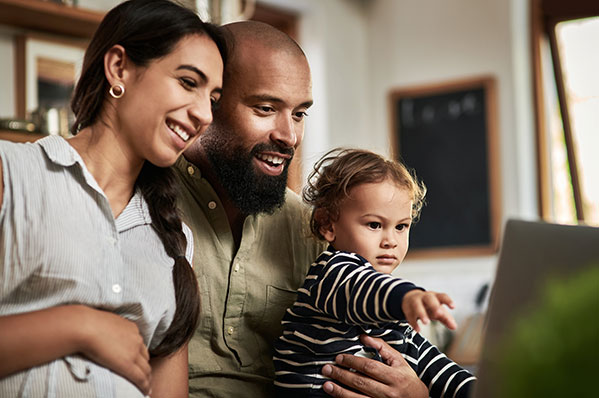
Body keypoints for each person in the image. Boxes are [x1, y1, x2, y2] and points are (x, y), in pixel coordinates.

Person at [177, 21, 446, 398]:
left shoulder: (310, 226)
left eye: (300, 113)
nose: (288, 135)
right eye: (266, 108)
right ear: (210, 102)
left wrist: (417, 394)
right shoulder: (147, 202)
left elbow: (379, 331)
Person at [0, 1, 224, 397]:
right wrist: (81, 327)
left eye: (214, 99)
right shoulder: (13, 174)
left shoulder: (175, 241)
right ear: (119, 68)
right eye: (189, 82)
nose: (205, 113)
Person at [273, 148, 476, 397]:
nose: (390, 240)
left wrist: (476, 389)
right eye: (374, 225)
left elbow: (428, 361)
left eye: (401, 226)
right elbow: (363, 288)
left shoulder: (387, 310)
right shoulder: (331, 273)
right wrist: (408, 297)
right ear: (327, 224)